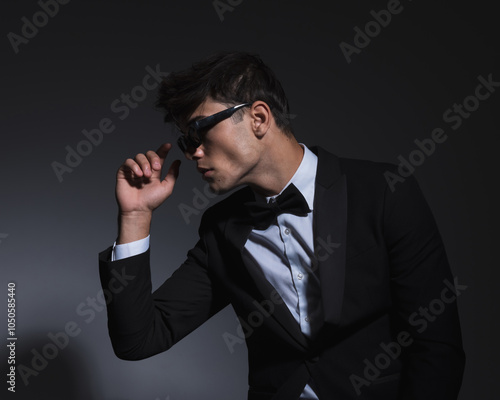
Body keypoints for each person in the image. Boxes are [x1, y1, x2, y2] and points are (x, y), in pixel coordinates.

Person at [98, 51, 465, 399]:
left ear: (258, 118)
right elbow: (139, 339)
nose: (193, 150)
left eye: (200, 131)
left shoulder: (384, 191)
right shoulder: (221, 230)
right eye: (185, 140)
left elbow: (435, 344)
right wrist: (135, 217)